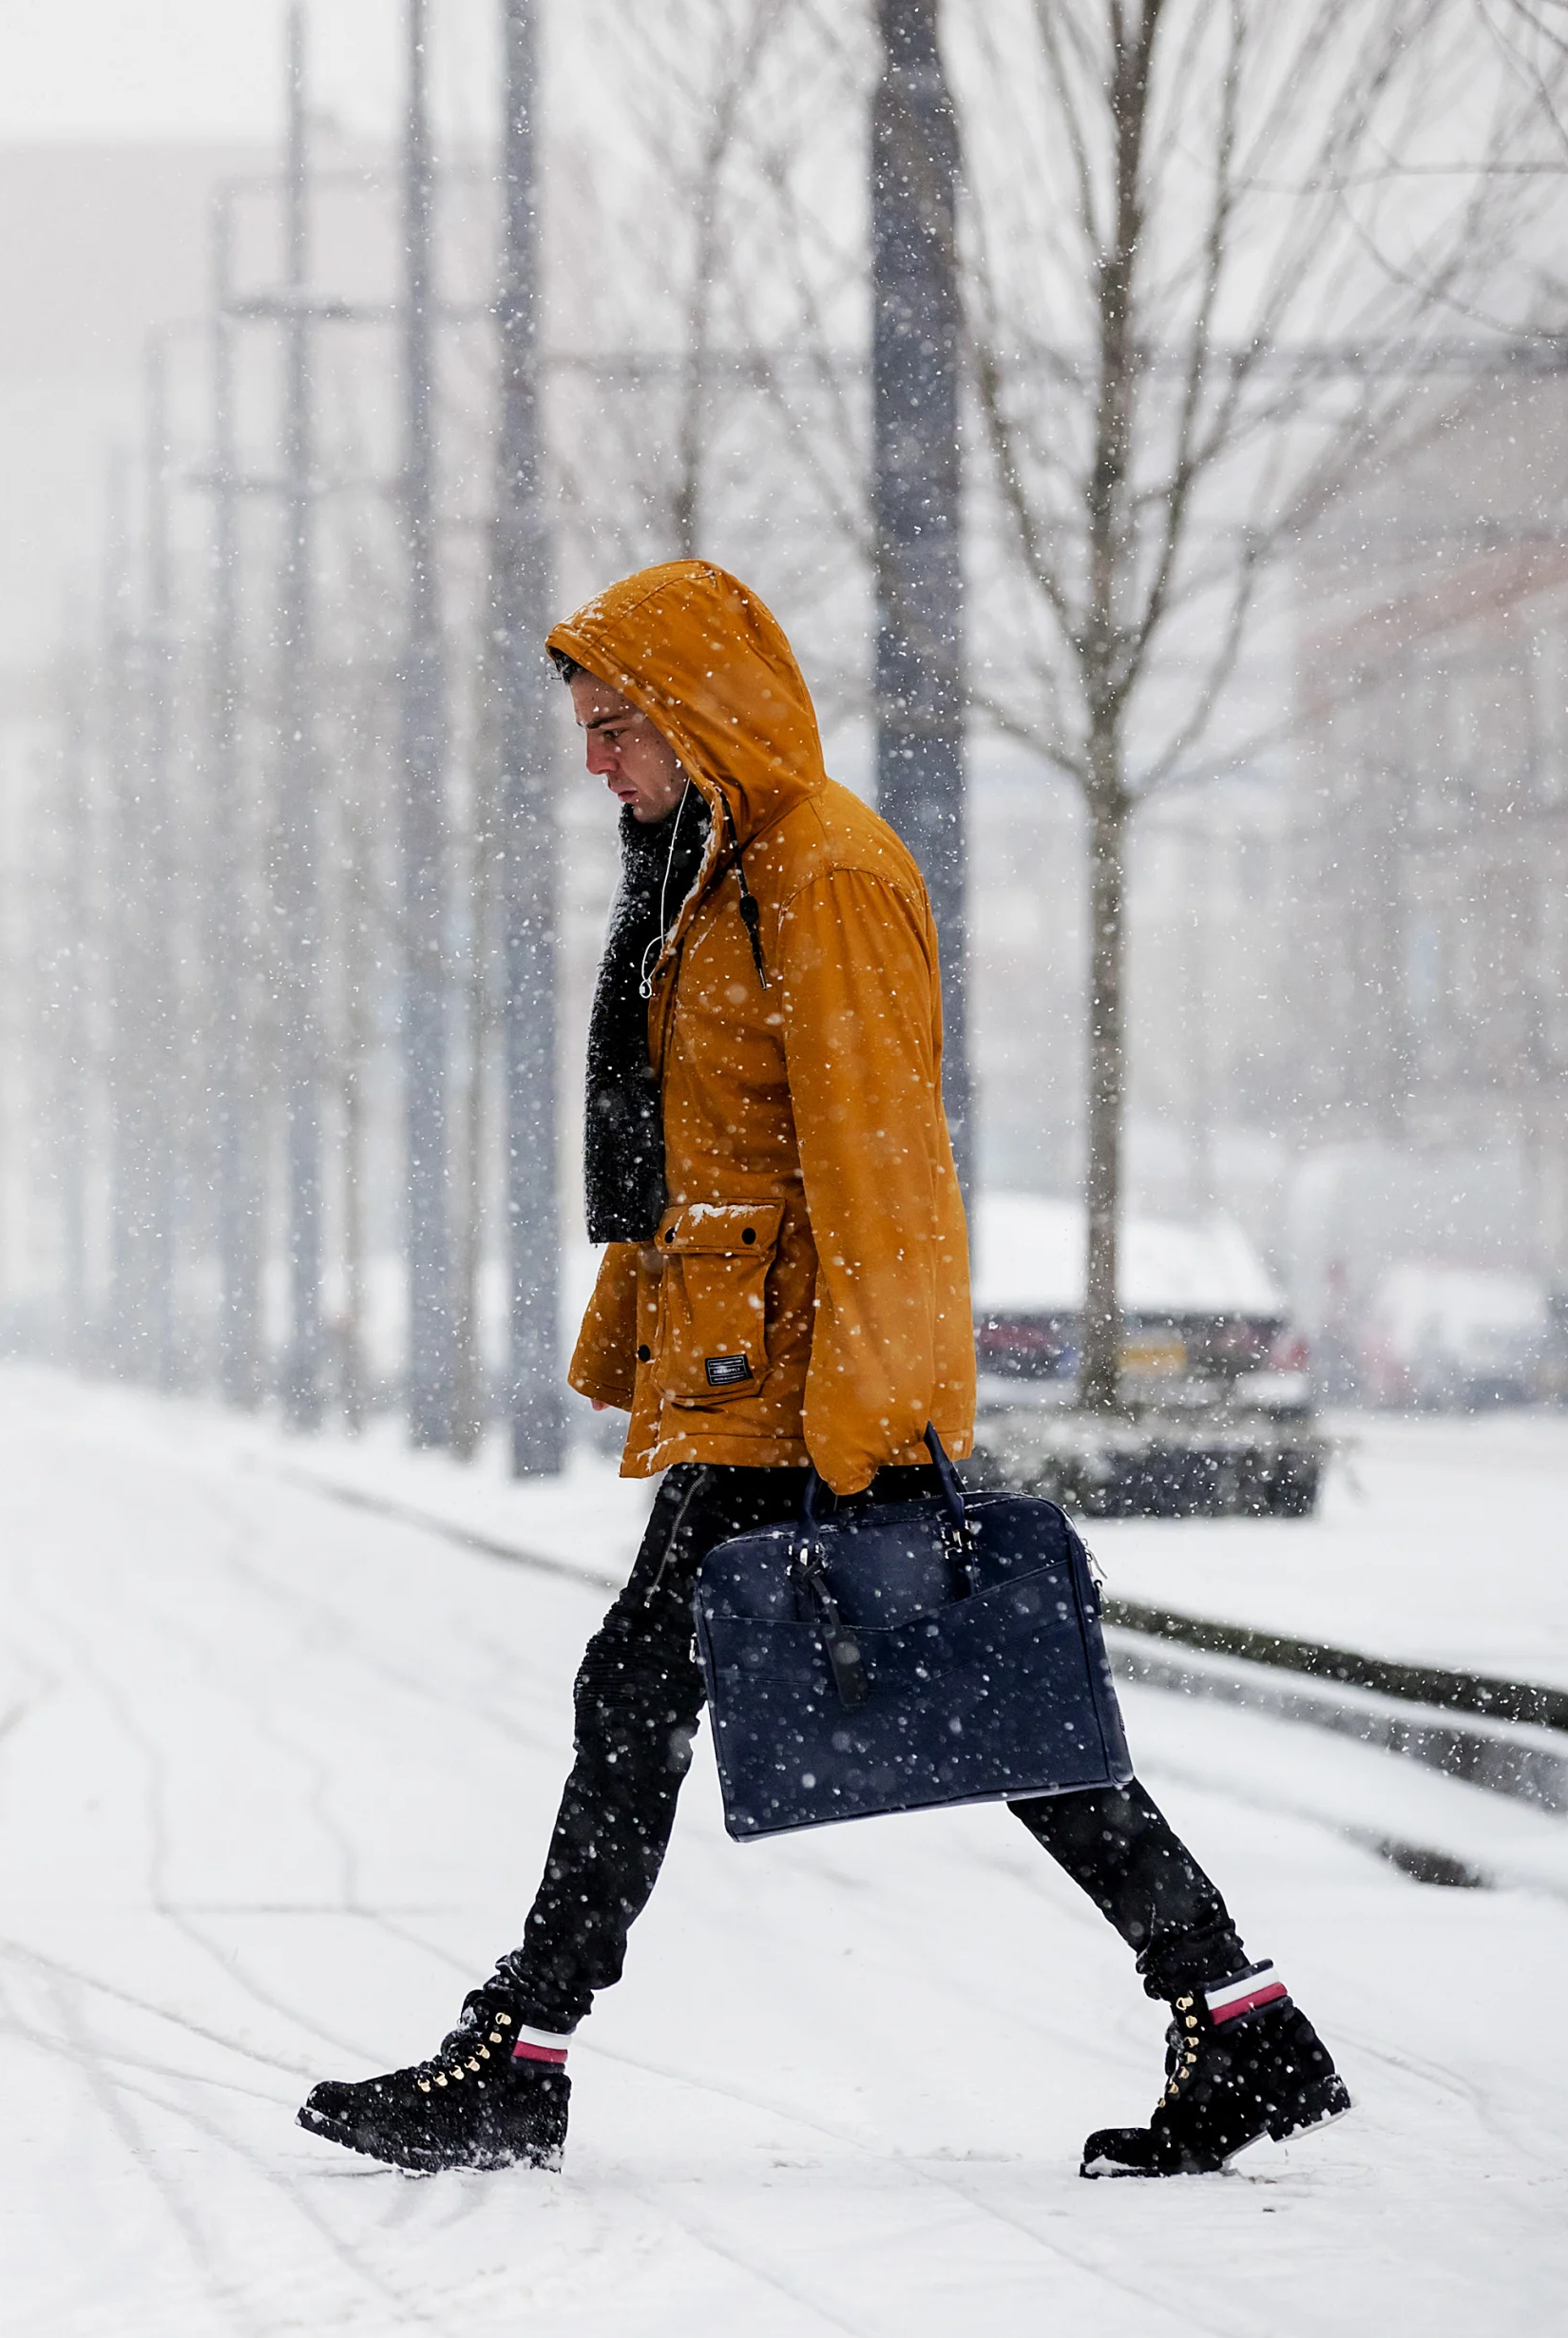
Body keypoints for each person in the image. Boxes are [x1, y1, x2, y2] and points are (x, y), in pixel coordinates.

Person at [298, 562, 1348, 2182]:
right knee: (917, 1706)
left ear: (696, 714)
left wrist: (890, 1411)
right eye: (586, 733)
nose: (597, 766)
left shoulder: (824, 876)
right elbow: (702, 1155)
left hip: (813, 1390)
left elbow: (883, 1165)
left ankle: (524, 2052)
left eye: (614, 729)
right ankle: (1239, 2015)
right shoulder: (712, 874)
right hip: (754, 1370)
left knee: (734, 1697)